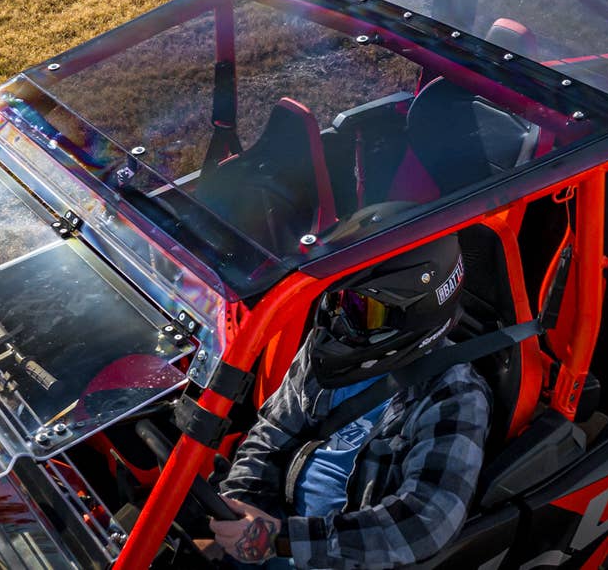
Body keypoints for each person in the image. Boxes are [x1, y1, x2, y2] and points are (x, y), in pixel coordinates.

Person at [210, 235, 492, 569]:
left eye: (361, 311)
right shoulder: (331, 353)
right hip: (270, 533)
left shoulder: (455, 393)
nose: (339, 321)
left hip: (338, 556)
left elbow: (426, 521)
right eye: (338, 301)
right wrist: (240, 506)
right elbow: (271, 430)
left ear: (412, 314)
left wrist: (283, 540)